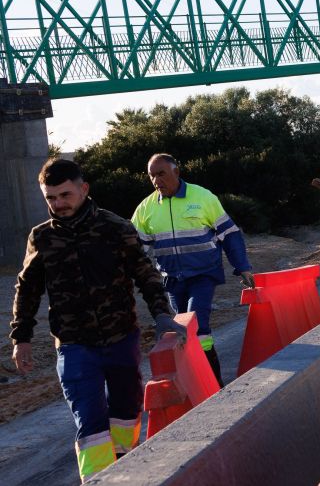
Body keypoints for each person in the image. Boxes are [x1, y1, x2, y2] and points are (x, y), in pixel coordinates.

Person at [10, 159, 186, 481]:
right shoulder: (42, 238)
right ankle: (99, 480)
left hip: (121, 339)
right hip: (75, 346)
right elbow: (28, 288)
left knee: (125, 414)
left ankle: (125, 469)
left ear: (84, 189)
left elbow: (145, 274)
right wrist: (21, 338)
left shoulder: (116, 228)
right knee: (90, 423)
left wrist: (162, 314)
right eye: (51, 198)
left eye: (65, 195)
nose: (59, 204)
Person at [131, 153, 254, 387]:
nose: (157, 180)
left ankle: (214, 384)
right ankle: (197, 383)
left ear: (176, 172)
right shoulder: (145, 209)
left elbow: (229, 234)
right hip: (173, 281)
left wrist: (243, 267)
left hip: (204, 275)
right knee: (182, 330)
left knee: (196, 325)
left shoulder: (203, 197)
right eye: (152, 176)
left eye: (161, 174)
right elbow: (135, 252)